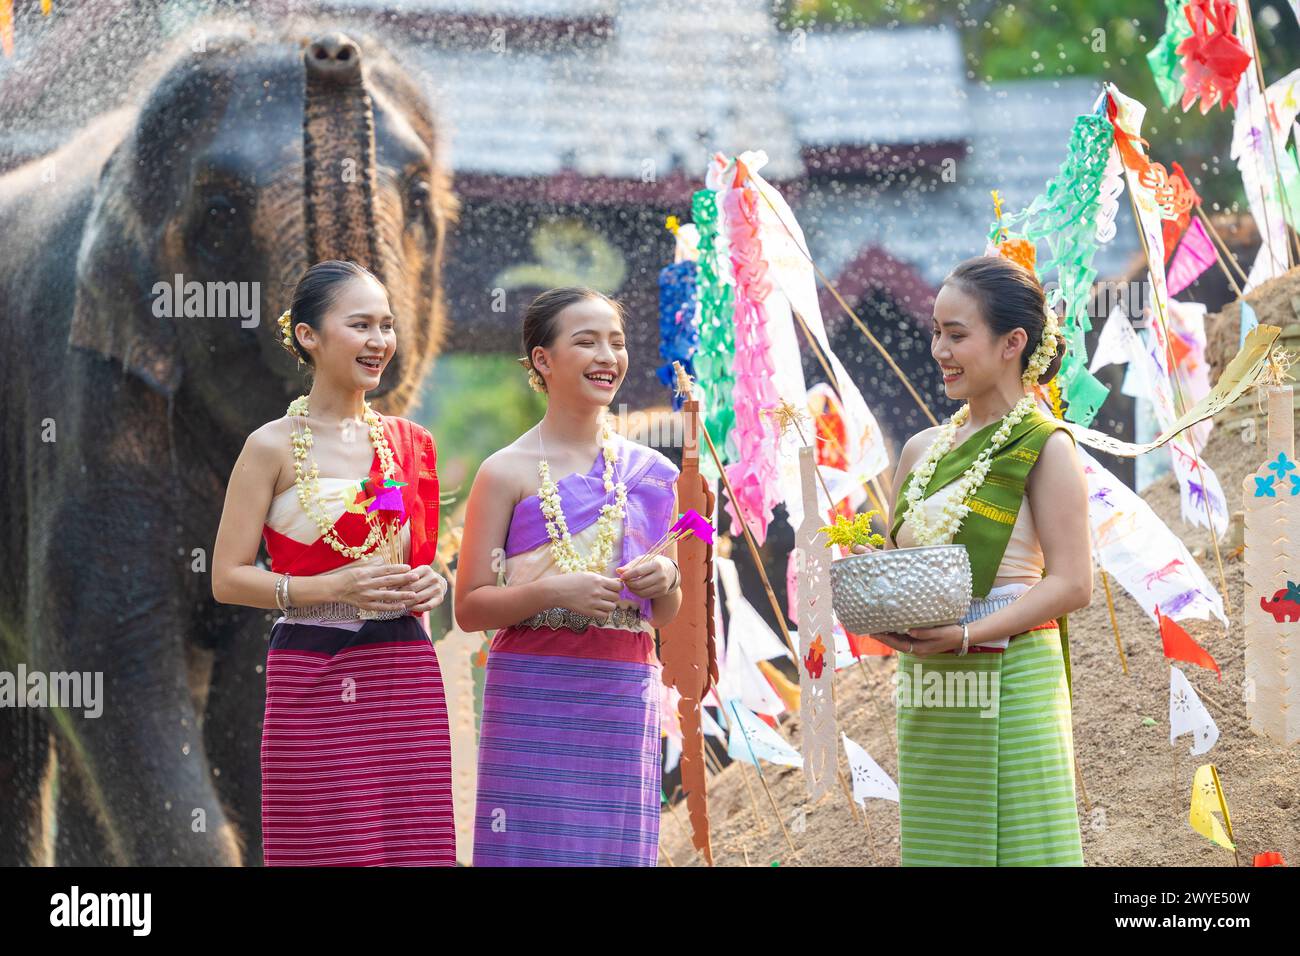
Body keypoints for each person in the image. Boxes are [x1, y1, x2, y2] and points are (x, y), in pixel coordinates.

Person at [212, 259, 454, 866]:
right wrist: (330, 585)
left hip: (402, 669)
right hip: (313, 667)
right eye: (361, 325)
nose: (380, 342)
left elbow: (420, 563)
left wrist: (433, 581)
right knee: (323, 843)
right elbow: (227, 579)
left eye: (387, 326)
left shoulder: (409, 442)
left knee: (412, 843)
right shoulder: (268, 446)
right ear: (309, 336)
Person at [853, 255, 1092, 866]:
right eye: (936, 331)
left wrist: (965, 634)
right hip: (933, 679)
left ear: (1013, 342)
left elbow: (1071, 584)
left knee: (1022, 840)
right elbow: (900, 569)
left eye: (957, 334)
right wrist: (862, 575)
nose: (939, 349)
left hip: (1012, 668)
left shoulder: (1046, 445)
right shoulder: (919, 449)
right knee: (944, 841)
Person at [455, 287, 683, 866]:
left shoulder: (652, 472)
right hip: (533, 691)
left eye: (617, 342)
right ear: (543, 360)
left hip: (623, 689)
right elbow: (471, 606)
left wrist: (666, 580)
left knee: (613, 852)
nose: (608, 355)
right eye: (586, 342)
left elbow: (665, 614)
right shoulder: (502, 471)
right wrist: (551, 592)